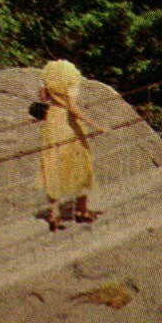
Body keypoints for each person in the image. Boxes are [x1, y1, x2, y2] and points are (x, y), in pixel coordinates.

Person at [38, 59, 101, 230]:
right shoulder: (72, 75)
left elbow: (43, 98)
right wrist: (96, 125)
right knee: (80, 163)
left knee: (52, 164)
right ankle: (81, 209)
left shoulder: (47, 72)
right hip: (68, 123)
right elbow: (72, 107)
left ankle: (54, 213)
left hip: (52, 120)